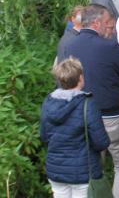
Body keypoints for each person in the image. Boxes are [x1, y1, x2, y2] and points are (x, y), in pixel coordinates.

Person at [63, 4, 119, 198]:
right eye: (108, 25)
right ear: (97, 23)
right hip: (112, 116)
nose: (110, 30)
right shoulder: (109, 46)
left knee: (91, 170)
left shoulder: (68, 47)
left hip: (82, 117)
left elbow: (62, 82)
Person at [40, 57, 110, 198]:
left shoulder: (48, 102)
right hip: (83, 171)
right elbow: (101, 142)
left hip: (56, 170)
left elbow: (44, 136)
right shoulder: (87, 103)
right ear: (80, 78)